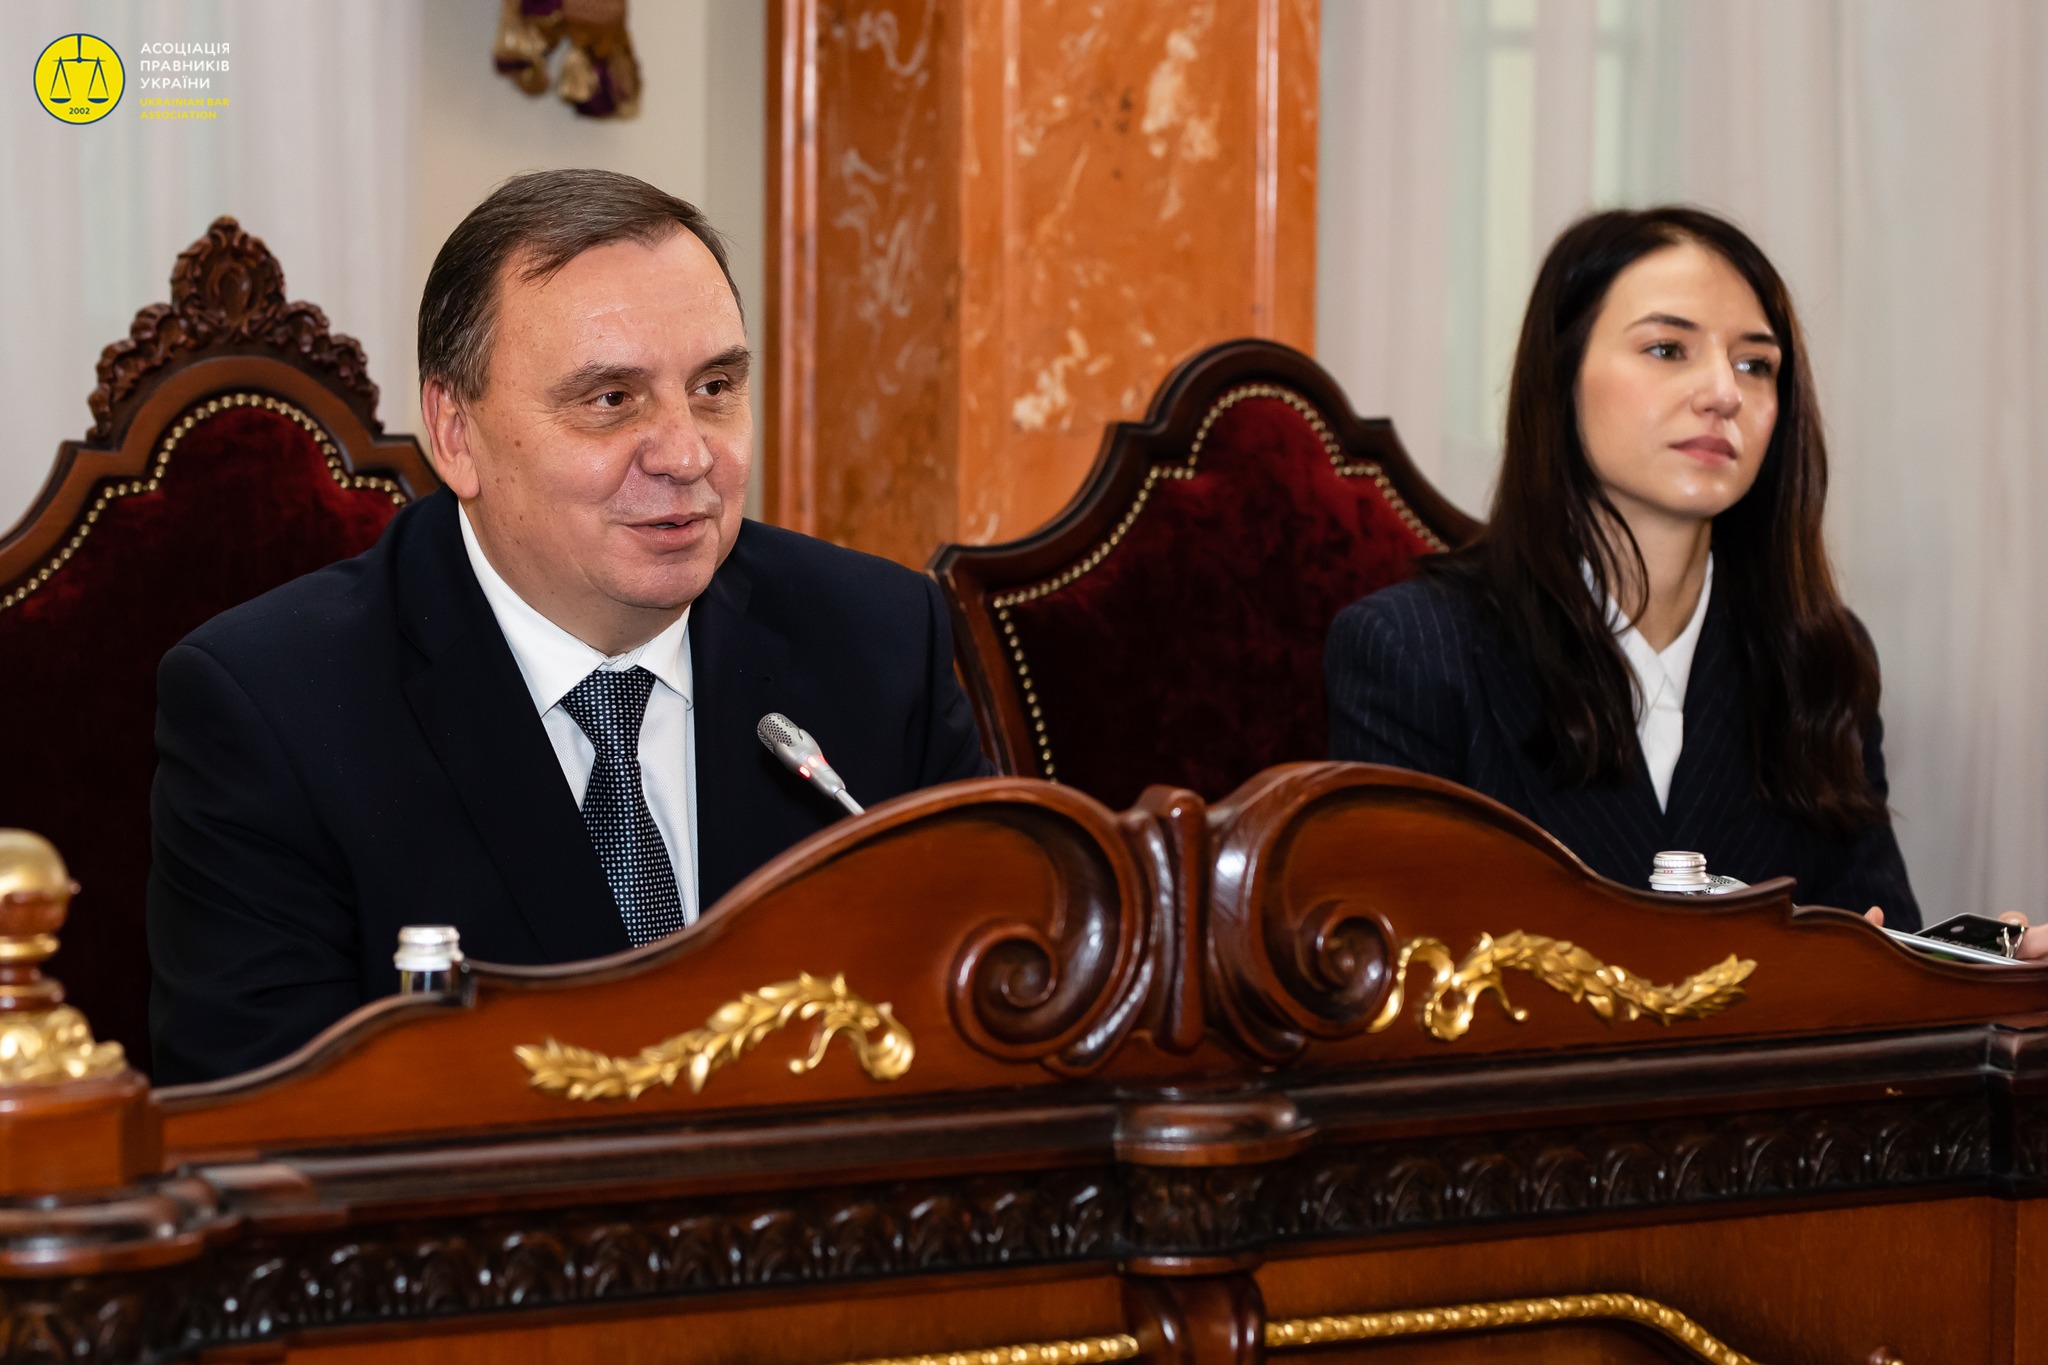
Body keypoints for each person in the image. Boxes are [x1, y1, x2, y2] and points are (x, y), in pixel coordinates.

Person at [147, 171, 990, 1084]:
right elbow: (258, 1127)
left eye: (715, 387)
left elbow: (995, 1015)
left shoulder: (880, 642)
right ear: (456, 433)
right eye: (611, 400)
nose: (687, 454)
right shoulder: (276, 710)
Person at [1326, 206, 1932, 926]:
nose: (1724, 393)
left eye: (1756, 364)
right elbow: (1395, 969)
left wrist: (1986, 965)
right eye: (1668, 349)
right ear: (1561, 377)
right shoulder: (1413, 654)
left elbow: (1887, 943)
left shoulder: (1819, 656)